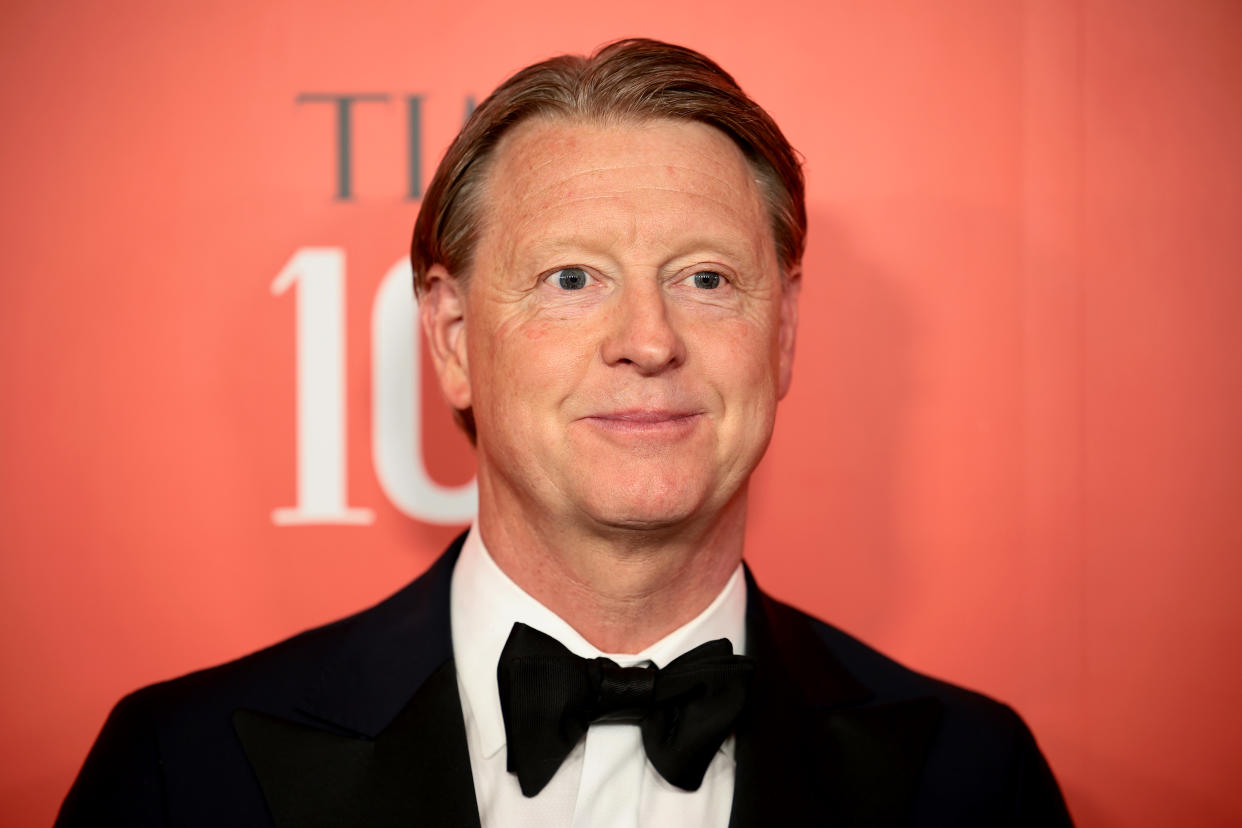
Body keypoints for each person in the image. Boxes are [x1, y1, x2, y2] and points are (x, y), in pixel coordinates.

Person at [58, 39, 1073, 827]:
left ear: (787, 332)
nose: (648, 340)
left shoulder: (973, 777)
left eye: (707, 279)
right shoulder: (183, 770)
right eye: (572, 279)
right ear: (453, 340)